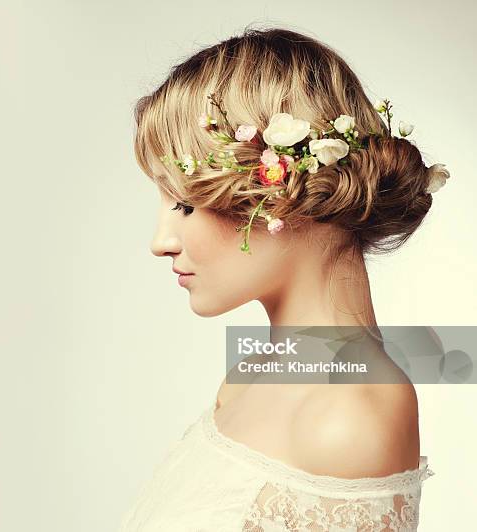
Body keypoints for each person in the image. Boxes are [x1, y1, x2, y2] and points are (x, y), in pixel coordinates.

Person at [121, 27, 442, 531]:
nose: (161, 241)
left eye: (184, 203)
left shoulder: (350, 416)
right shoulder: (246, 378)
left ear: (282, 191)